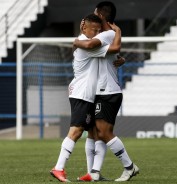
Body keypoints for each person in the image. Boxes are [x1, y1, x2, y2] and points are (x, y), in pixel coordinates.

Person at [50, 13, 121, 182]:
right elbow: (113, 49)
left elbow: (111, 57)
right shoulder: (86, 45)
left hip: (87, 94)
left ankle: (91, 173)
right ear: (83, 27)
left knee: (93, 132)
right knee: (76, 130)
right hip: (81, 94)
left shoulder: (88, 43)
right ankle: (58, 167)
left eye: (98, 30)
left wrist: (120, 60)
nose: (96, 34)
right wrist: (117, 33)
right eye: (93, 30)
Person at [74, 1, 139, 182]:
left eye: (95, 13)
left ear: (101, 15)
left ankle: (129, 167)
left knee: (103, 132)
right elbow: (113, 54)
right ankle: (93, 172)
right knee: (94, 132)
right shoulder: (107, 34)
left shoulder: (109, 33)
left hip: (107, 91)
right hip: (99, 90)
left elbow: (90, 44)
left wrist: (77, 40)